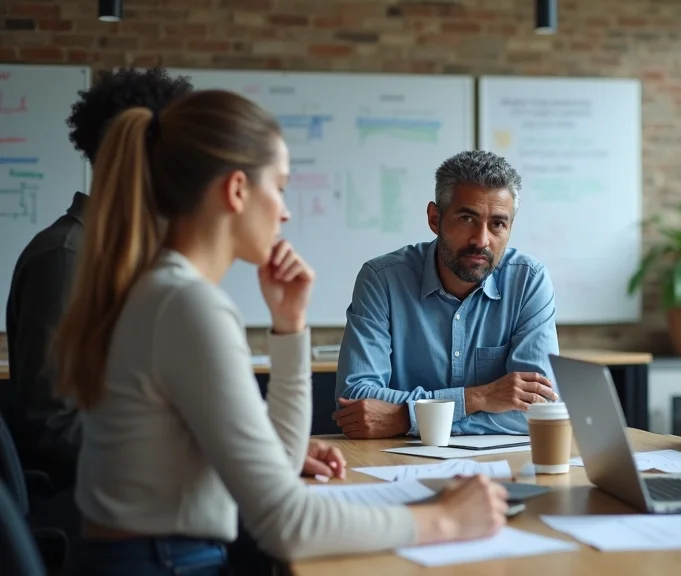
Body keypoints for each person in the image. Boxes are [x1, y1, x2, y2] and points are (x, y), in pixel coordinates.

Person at [52, 89, 508, 573]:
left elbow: (281, 471)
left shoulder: (167, 290)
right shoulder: (187, 306)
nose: (286, 212)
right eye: (280, 188)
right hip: (166, 563)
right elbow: (286, 523)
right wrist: (443, 520)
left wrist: (289, 330)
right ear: (236, 191)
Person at [4, 66, 341, 491]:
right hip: (91, 500)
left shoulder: (152, 263)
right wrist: (228, 454)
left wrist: (255, 445)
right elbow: (53, 424)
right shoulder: (68, 256)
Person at [333, 150, 559, 439]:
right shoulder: (381, 280)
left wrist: (405, 418)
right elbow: (357, 401)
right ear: (434, 218)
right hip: (395, 465)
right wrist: (477, 398)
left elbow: (540, 411)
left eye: (498, 224)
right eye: (467, 219)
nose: (481, 240)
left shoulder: (528, 281)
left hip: (499, 468)